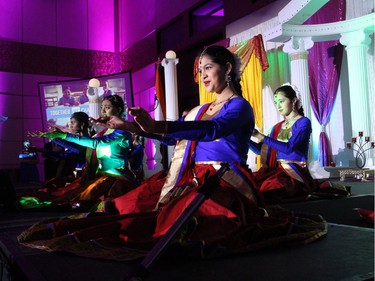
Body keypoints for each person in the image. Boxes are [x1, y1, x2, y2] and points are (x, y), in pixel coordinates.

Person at [18, 46, 326, 262]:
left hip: (223, 179)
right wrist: (133, 127)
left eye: (208, 67)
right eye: (200, 69)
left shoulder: (239, 107)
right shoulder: (200, 109)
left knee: (181, 224)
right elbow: (173, 140)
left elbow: (212, 131)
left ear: (228, 68)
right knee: (129, 206)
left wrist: (157, 124)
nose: (203, 75)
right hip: (189, 174)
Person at [21, 95, 138, 210]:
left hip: (117, 175)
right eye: (102, 107)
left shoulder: (122, 132)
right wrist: (56, 136)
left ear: (118, 109)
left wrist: (62, 135)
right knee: (69, 194)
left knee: (85, 197)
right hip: (101, 175)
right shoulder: (104, 132)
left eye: (107, 107)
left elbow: (95, 143)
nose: (103, 111)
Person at [249, 84, 348, 203]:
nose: (278, 106)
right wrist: (245, 139)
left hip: (294, 172)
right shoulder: (276, 128)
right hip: (277, 170)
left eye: (281, 101)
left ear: (294, 100)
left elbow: (289, 149)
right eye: (276, 102)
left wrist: (260, 136)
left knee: (272, 187)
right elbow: (260, 151)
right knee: (253, 184)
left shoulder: (303, 122)